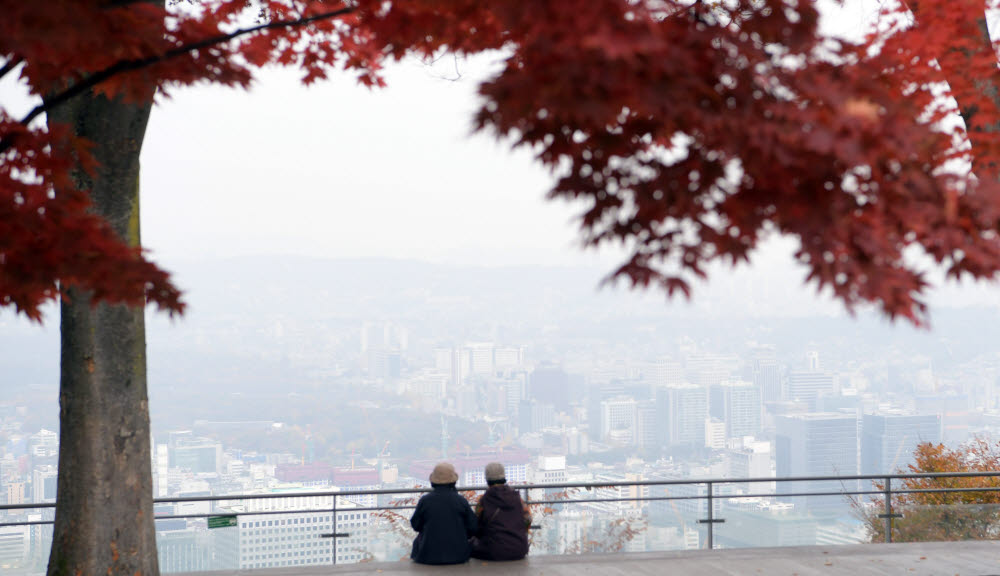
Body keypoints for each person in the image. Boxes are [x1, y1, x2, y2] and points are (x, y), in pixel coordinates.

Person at [410, 462, 478, 565]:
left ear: (433, 481)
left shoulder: (425, 500)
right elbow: (473, 526)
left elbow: (416, 525)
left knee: (417, 542)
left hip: (428, 556)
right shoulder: (460, 500)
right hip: (459, 556)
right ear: (453, 482)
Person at [470, 462, 531, 561]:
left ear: (487, 479)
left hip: (493, 551)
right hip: (519, 549)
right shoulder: (517, 498)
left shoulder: (484, 500)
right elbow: (528, 519)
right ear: (504, 477)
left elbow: (476, 524)